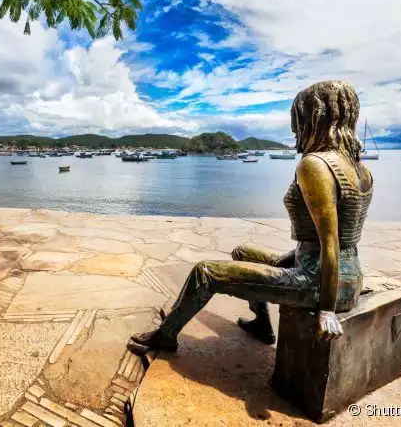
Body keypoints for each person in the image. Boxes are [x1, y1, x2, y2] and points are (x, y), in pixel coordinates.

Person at [128, 81, 374, 354]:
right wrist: (291, 257)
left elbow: (331, 242)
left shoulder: (315, 165)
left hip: (320, 283)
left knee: (205, 273)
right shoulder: (359, 168)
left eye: (298, 120)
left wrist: (326, 310)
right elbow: (336, 238)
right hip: (350, 277)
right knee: (242, 252)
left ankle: (166, 335)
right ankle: (262, 324)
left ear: (314, 117)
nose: (295, 130)